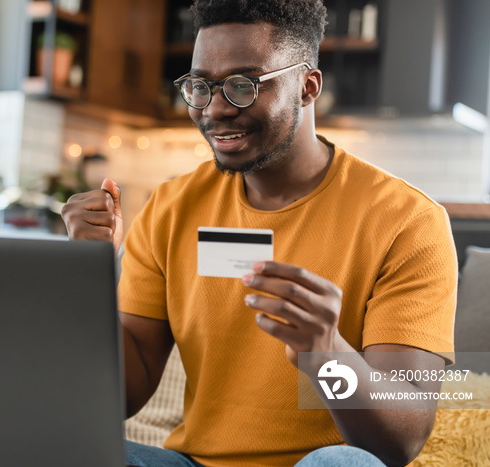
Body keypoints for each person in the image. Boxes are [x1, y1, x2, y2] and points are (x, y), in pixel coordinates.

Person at [61, 0, 457, 465]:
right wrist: (88, 279)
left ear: (307, 87)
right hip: (194, 462)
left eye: (243, 85)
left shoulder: (407, 220)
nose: (216, 109)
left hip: (321, 462)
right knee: (60, 449)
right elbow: (125, 395)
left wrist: (326, 352)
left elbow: (401, 439)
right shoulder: (170, 208)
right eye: (200, 87)